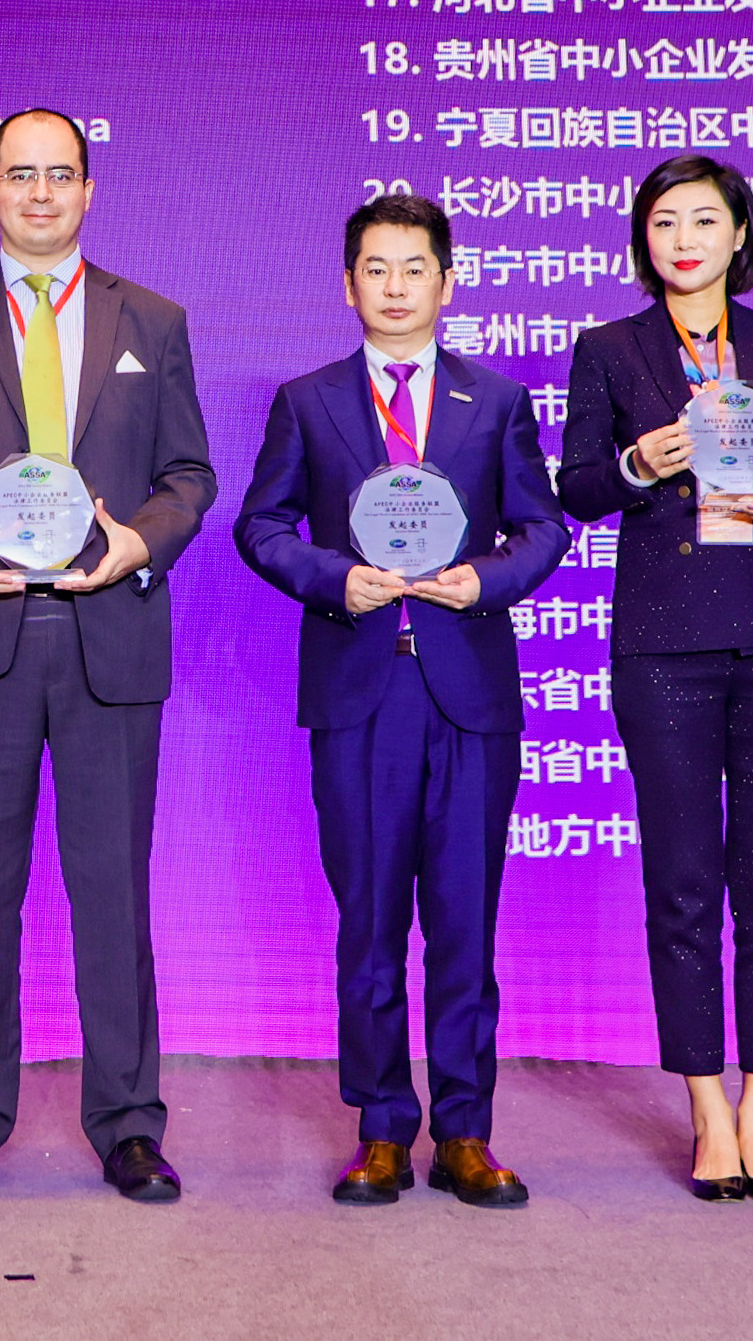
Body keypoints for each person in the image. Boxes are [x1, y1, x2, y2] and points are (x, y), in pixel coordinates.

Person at [0, 108, 216, 1205]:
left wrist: (137, 544)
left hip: (107, 634)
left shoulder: (150, 320)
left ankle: (128, 1123)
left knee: (114, 889)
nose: (39, 193)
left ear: (88, 189)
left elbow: (189, 476)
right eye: (19, 175)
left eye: (59, 174)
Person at [235, 193, 569, 1207]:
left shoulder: (495, 400)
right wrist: (335, 578)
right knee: (370, 927)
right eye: (375, 269)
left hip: (468, 694)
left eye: (413, 268)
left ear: (446, 282)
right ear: (349, 285)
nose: (394, 287)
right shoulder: (308, 401)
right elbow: (262, 526)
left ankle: (465, 1130)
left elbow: (543, 528)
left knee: (465, 924)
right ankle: (381, 1127)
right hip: (360, 693)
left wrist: (485, 581)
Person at [559, 156, 753, 1203]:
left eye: (703, 220)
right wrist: (641, 463)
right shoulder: (610, 349)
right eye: (663, 222)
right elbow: (576, 485)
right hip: (665, 643)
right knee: (681, 883)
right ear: (643, 240)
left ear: (739, 234)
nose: (683, 238)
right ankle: (706, 1113)